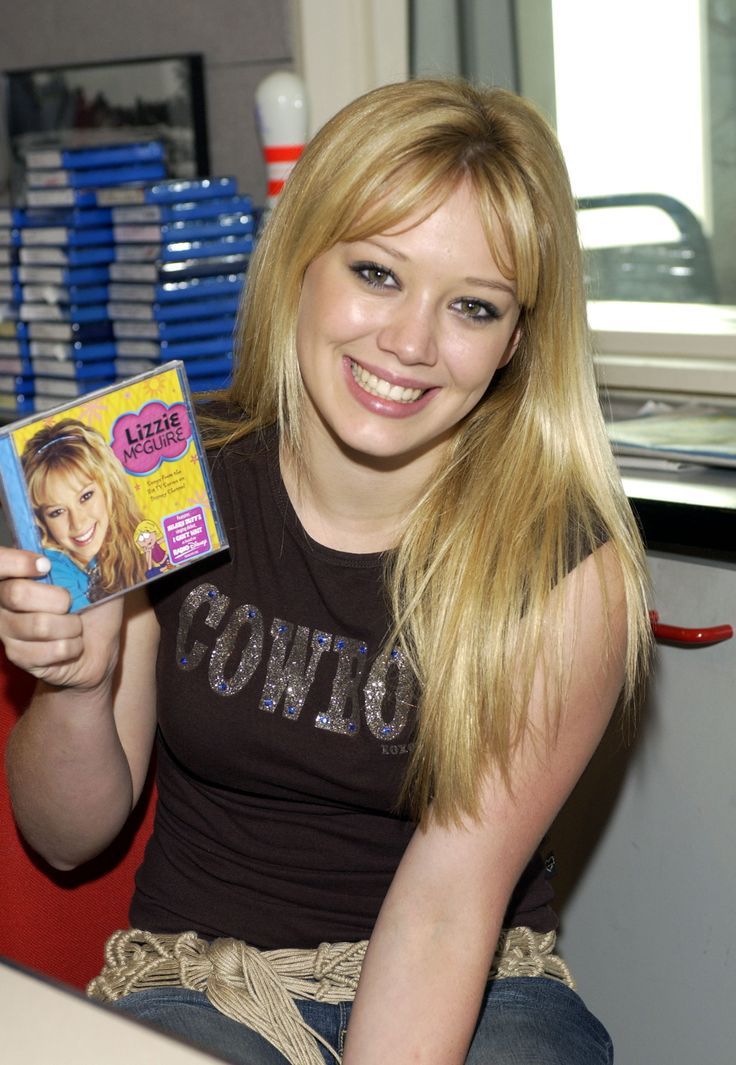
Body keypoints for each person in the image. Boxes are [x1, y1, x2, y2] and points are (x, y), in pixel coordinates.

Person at [0, 78, 652, 1065]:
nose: (409, 341)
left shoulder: (564, 568)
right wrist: (78, 693)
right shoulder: (162, 472)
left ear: (514, 343)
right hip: (203, 975)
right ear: (301, 256)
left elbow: (442, 914)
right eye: (378, 274)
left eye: (470, 305)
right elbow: (65, 839)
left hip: (478, 980)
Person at [20, 418, 147, 610]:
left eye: (86, 496)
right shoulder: (52, 568)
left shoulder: (134, 540)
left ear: (109, 487)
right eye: (57, 512)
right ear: (41, 520)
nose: (77, 523)